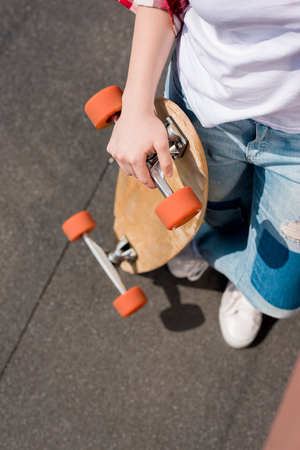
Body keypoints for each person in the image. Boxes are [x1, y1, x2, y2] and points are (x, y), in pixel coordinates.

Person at [108, 0, 300, 348]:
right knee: (219, 211)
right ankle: (210, 245)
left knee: (277, 297)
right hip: (206, 105)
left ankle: (219, 260)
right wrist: (135, 107)